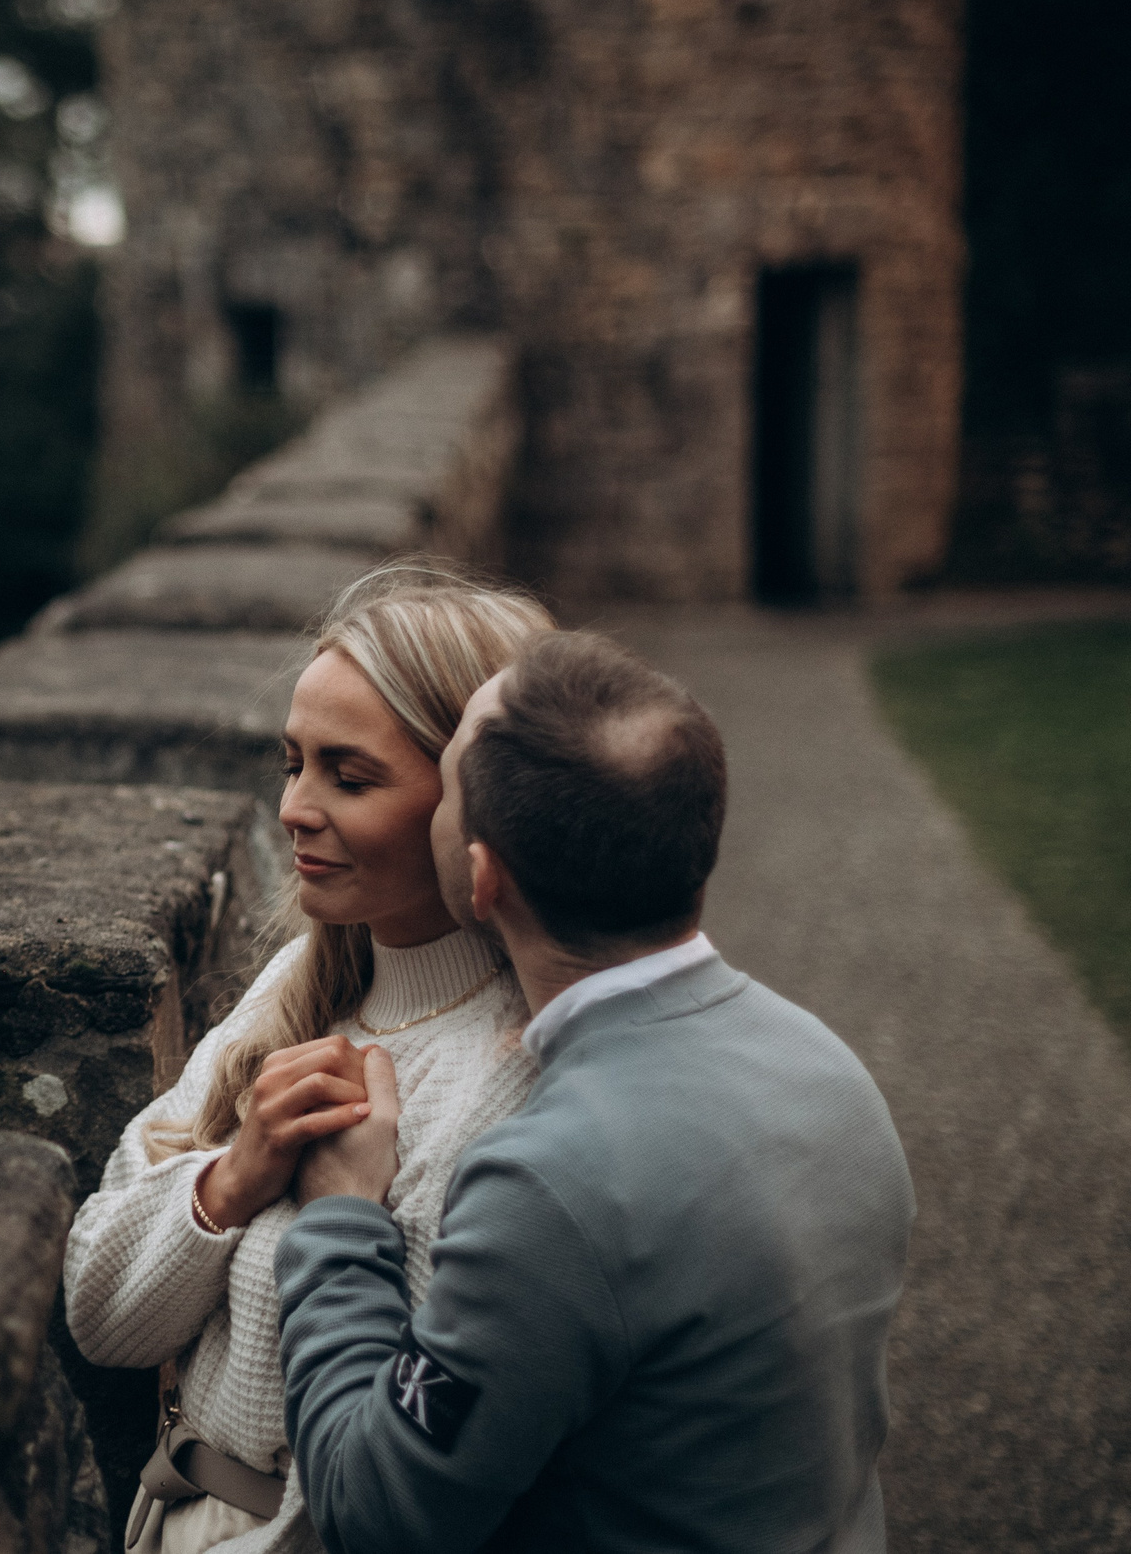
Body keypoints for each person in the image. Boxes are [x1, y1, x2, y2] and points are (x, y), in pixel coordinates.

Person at [276, 630, 915, 1553]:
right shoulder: (829, 1069)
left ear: (485, 873)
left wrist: (338, 1219)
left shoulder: (550, 1184)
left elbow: (375, 1512)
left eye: (448, 789)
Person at [63, 560, 555, 1554]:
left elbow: (413, 1457)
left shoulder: (510, 1077)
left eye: (349, 775)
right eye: (293, 763)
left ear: (472, 802)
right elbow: (98, 1312)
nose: (291, 807)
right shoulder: (293, 987)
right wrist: (230, 1180)